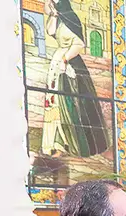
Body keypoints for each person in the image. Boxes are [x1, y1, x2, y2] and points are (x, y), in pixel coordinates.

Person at [40, 0, 109, 157]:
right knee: (53, 101)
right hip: (56, 64)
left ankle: (74, 142)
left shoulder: (72, 18)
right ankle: (56, 142)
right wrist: (53, 15)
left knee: (71, 103)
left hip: (71, 64)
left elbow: (79, 44)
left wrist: (65, 60)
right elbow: (50, 31)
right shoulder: (58, 18)